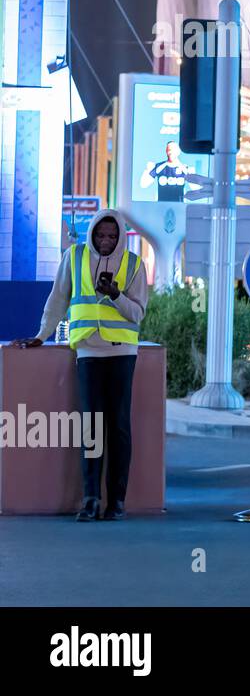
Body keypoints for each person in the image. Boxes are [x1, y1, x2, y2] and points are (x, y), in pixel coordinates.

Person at [7, 209, 149, 522]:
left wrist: (115, 295)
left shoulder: (135, 264)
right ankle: (91, 499)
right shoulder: (74, 257)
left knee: (119, 428)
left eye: (112, 236)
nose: (106, 241)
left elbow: (138, 314)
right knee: (91, 427)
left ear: (121, 236)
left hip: (122, 352)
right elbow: (58, 299)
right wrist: (41, 335)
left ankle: (117, 502)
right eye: (101, 235)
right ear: (92, 233)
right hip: (88, 351)